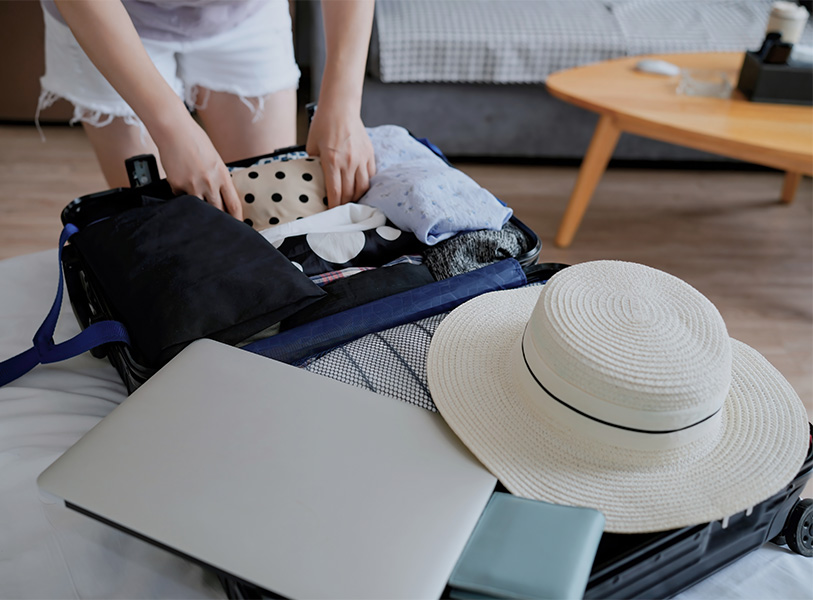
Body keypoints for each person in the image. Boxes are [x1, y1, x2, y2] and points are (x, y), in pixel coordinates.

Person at [38, 0, 376, 222]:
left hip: (244, 13)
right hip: (113, 18)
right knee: (161, 224)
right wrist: (171, 128)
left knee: (272, 216)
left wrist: (343, 103)